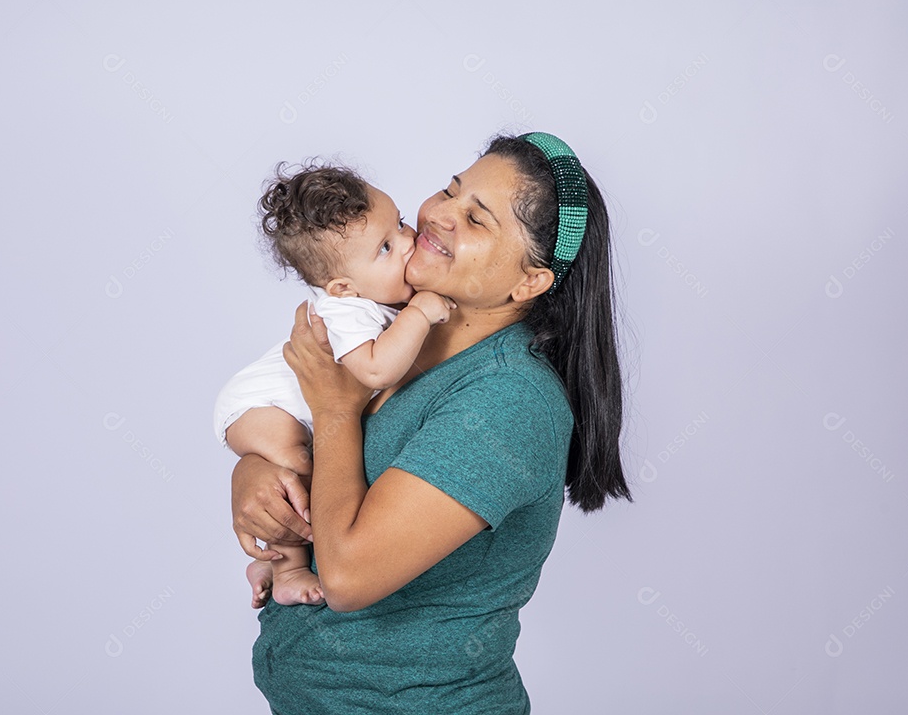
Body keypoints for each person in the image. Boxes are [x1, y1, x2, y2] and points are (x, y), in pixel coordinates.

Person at [230, 132, 632, 713]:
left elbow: (347, 578)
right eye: (450, 188)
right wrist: (254, 468)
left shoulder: (508, 400)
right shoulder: (386, 329)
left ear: (529, 281)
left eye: (476, 218)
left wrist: (335, 409)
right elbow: (307, 438)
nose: (438, 214)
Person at [214, 163, 455, 608]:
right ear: (343, 286)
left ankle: (267, 562)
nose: (407, 241)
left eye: (399, 223)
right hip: (260, 404)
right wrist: (421, 312)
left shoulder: (368, 297)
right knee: (299, 471)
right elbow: (375, 372)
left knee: (299, 471)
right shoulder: (350, 311)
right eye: (385, 247)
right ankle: (287, 568)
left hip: (283, 405)